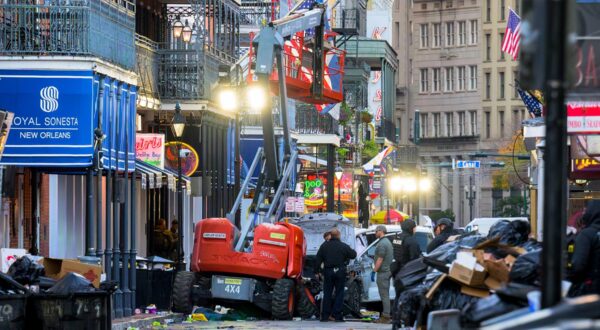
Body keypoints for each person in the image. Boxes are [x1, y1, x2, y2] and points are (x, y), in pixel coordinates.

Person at [315, 228, 357, 322]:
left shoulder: (324, 246)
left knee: (327, 293)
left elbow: (318, 259)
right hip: (340, 272)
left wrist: (316, 271)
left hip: (328, 272)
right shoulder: (343, 246)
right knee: (339, 293)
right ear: (338, 235)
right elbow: (353, 255)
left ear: (331, 235)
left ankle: (325, 316)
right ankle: (337, 316)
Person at [568, 200, 600, 296]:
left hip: (590, 289)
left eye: (586, 211)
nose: (583, 213)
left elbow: (578, 266)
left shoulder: (586, 235)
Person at [373, 225, 393, 324]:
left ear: (381, 231)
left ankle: (385, 317)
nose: (375, 233)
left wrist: (374, 270)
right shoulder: (387, 242)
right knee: (386, 294)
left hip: (383, 272)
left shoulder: (382, 244)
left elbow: (380, 259)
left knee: (384, 295)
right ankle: (386, 315)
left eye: (376, 231)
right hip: (387, 271)